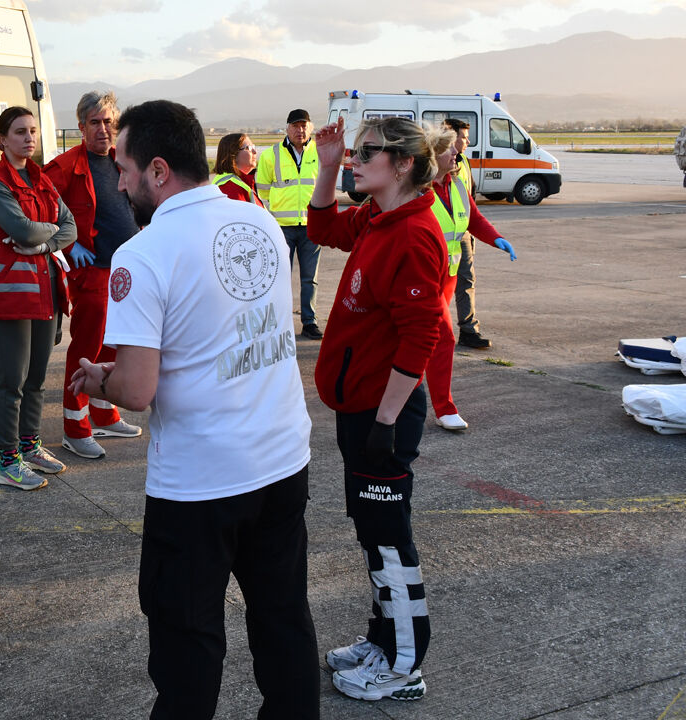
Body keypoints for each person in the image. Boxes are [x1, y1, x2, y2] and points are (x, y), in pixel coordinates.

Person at [71, 100, 318, 719]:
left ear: (158, 171)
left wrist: (100, 380)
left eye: (124, 167)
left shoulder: (144, 253)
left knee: (187, 646)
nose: (119, 180)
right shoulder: (256, 220)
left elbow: (137, 390)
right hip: (283, 461)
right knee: (284, 620)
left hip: (201, 485)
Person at [307, 115, 447, 702]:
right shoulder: (377, 215)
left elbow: (423, 337)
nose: (357, 160)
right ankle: (383, 639)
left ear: (405, 164)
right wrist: (331, 164)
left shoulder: (415, 234)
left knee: (389, 537)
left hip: (383, 414)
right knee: (371, 532)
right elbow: (319, 227)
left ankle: (404, 666)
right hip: (362, 408)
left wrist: (386, 423)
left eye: (368, 153)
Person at [0, 105, 77, 490]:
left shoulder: (41, 179)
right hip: (8, 298)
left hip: (44, 292)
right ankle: (7, 460)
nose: (29, 138)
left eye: (32, 130)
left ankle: (30, 445)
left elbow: (69, 229)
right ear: (2, 140)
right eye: (19, 132)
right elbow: (20, 227)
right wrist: (47, 234)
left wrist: (42, 242)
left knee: (36, 379)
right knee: (10, 382)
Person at [44, 90, 143, 461]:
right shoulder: (66, 165)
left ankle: (104, 412)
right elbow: (40, 207)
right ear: (82, 126)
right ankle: (75, 427)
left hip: (124, 271)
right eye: (95, 123)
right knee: (85, 349)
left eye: (108, 122)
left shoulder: (121, 160)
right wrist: (69, 247)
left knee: (112, 346)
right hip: (92, 273)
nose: (103, 130)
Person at [426, 120, 517, 431]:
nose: (457, 153)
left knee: (417, 341)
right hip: (421, 279)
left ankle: (393, 398)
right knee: (443, 338)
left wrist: (496, 239)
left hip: (447, 277)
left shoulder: (457, 185)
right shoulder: (417, 191)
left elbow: (473, 218)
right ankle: (443, 407)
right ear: (433, 155)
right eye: (451, 148)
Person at [256, 109, 322, 339]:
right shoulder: (271, 154)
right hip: (280, 227)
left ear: (310, 128)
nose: (300, 130)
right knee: (278, 277)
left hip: (311, 226)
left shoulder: (319, 153)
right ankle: (278, 323)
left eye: (304, 125)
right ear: (287, 128)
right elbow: (261, 189)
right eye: (295, 126)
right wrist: (269, 217)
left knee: (309, 278)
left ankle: (309, 322)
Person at [448, 117, 495, 349]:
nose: (467, 142)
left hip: (463, 234)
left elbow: (470, 200)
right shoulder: (436, 164)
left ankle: (468, 330)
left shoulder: (464, 161)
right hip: (442, 237)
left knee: (466, 281)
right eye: (463, 137)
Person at [210, 132, 262, 205]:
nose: (254, 152)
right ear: (233, 154)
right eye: (248, 148)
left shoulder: (242, 182)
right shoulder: (229, 187)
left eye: (253, 147)